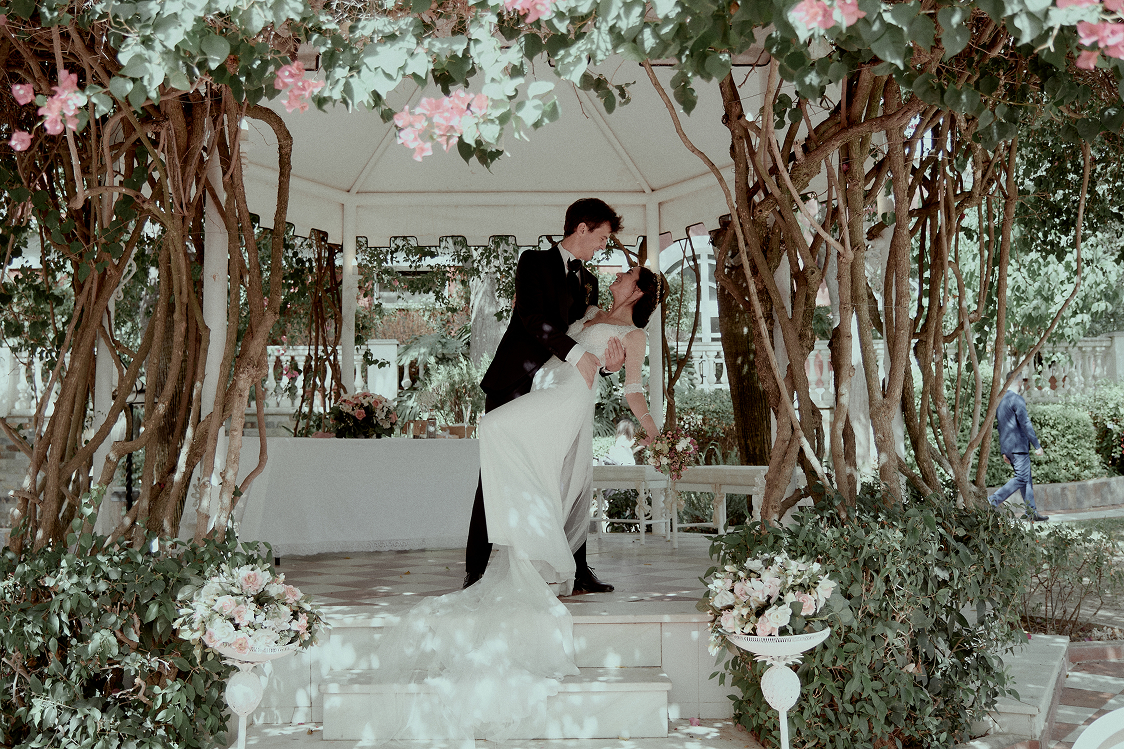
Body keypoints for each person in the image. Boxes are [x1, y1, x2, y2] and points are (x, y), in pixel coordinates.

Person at [370, 263, 667, 742]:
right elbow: (558, 340)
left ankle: (543, 553)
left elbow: (632, 392)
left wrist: (659, 435)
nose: (617, 274)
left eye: (627, 273)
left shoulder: (633, 335)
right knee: (533, 473)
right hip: (545, 388)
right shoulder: (590, 309)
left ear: (638, 290)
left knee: (496, 427)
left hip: (568, 400)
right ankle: (534, 553)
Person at [463, 197, 626, 593]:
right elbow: (532, 319)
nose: (604, 246)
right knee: (495, 470)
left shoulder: (589, 281)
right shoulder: (532, 262)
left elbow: (585, 335)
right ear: (581, 228)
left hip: (557, 388)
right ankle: (476, 569)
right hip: (515, 380)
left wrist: (608, 364)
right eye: (602, 237)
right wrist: (579, 355)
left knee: (567, 472)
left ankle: (576, 566)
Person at [989, 369, 1048, 521]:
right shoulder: (1017, 399)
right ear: (1019, 382)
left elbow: (1000, 426)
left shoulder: (1000, 400)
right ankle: (992, 500)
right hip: (1019, 447)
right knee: (1021, 478)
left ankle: (1031, 512)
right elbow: (1025, 424)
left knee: (1026, 479)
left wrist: (1004, 451)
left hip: (1009, 448)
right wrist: (1037, 445)